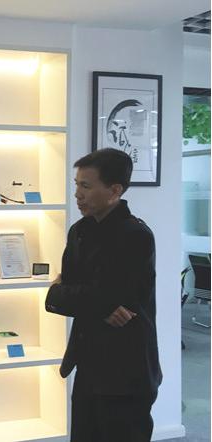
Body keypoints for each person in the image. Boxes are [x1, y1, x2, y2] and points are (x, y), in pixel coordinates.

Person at [45, 148, 162, 442]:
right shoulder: (78, 231)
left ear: (114, 191)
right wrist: (70, 296)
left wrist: (71, 294)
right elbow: (63, 294)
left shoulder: (136, 235)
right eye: (76, 185)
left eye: (86, 186)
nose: (78, 194)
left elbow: (116, 295)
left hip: (127, 369)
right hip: (88, 363)